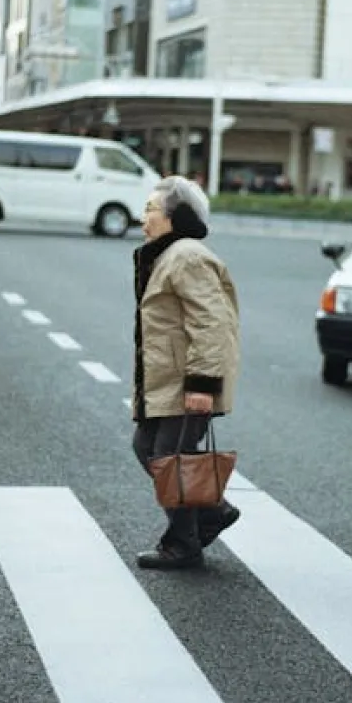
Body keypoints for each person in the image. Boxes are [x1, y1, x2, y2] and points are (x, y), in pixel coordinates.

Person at [131, 175, 242, 569]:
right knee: (148, 448)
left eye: (150, 210)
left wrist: (202, 386)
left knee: (168, 456)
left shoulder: (187, 257)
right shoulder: (169, 255)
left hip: (186, 381)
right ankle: (212, 512)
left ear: (175, 216)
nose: (143, 218)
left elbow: (211, 323)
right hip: (166, 382)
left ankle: (183, 544)